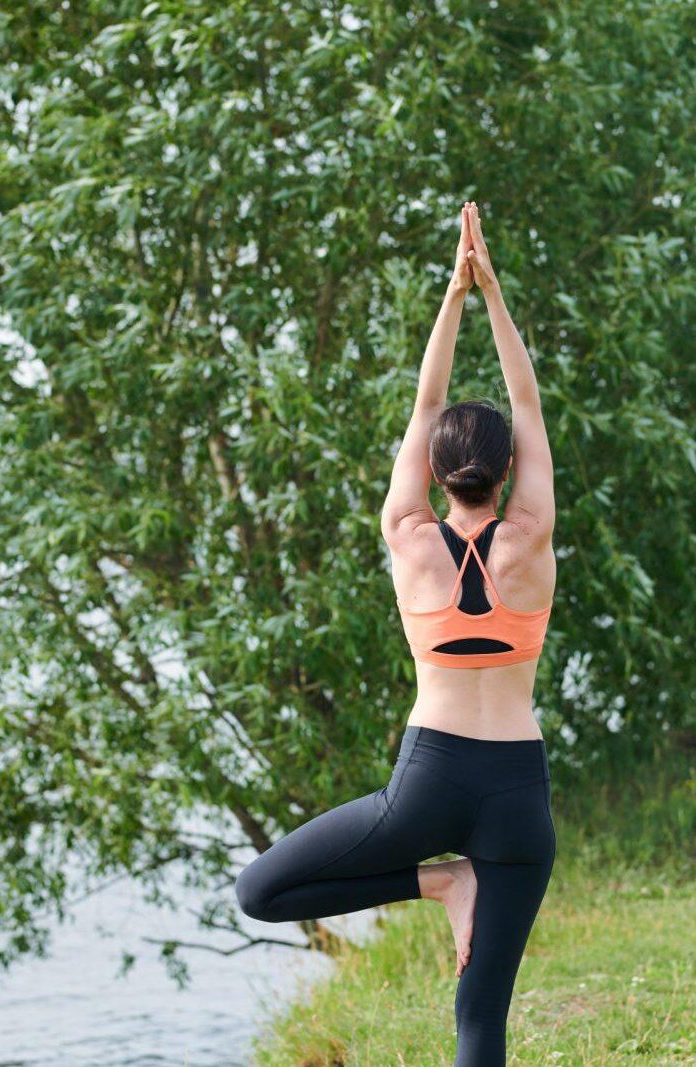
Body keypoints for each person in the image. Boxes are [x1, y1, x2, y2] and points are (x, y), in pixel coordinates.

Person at [235, 201, 557, 1066]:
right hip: (520, 793)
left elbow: (425, 400)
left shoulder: (408, 536)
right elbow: (522, 396)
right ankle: (456, 879)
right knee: (480, 1019)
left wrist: (451, 295)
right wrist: (491, 293)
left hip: (432, 778)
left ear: (437, 472)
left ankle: (439, 880)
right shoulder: (531, 534)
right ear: (504, 469)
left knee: (259, 890)